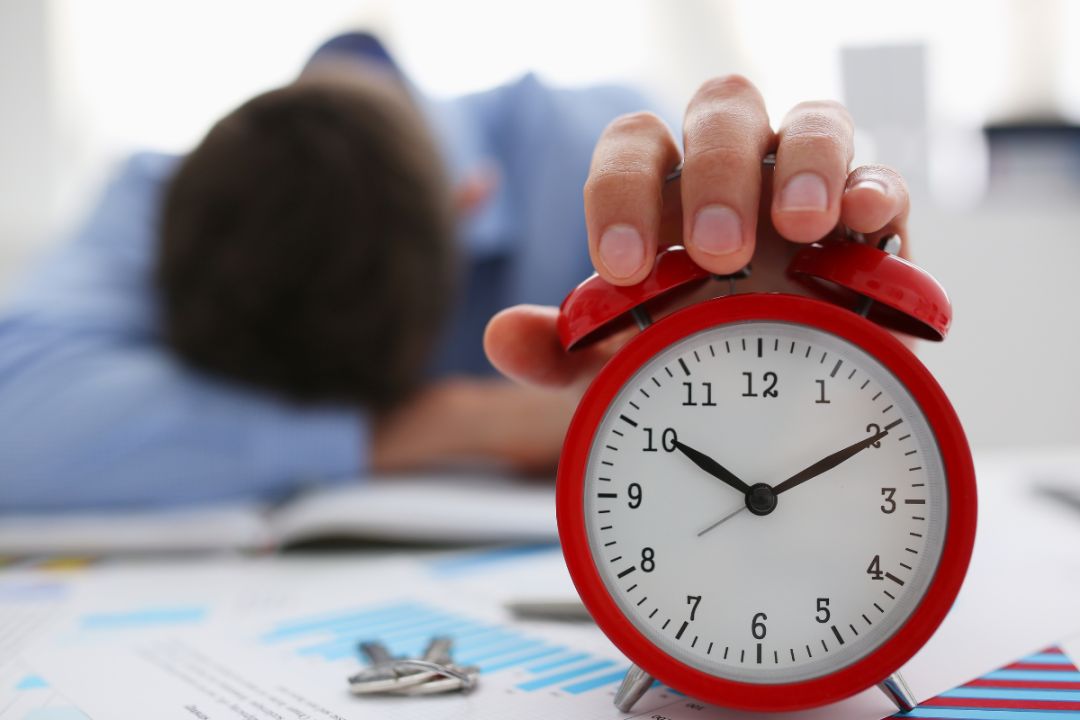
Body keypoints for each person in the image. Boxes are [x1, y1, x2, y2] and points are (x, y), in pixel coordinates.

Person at [0, 33, 910, 512]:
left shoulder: (599, 158)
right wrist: (449, 420)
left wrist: (800, 343)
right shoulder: (161, 196)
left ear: (470, 204)